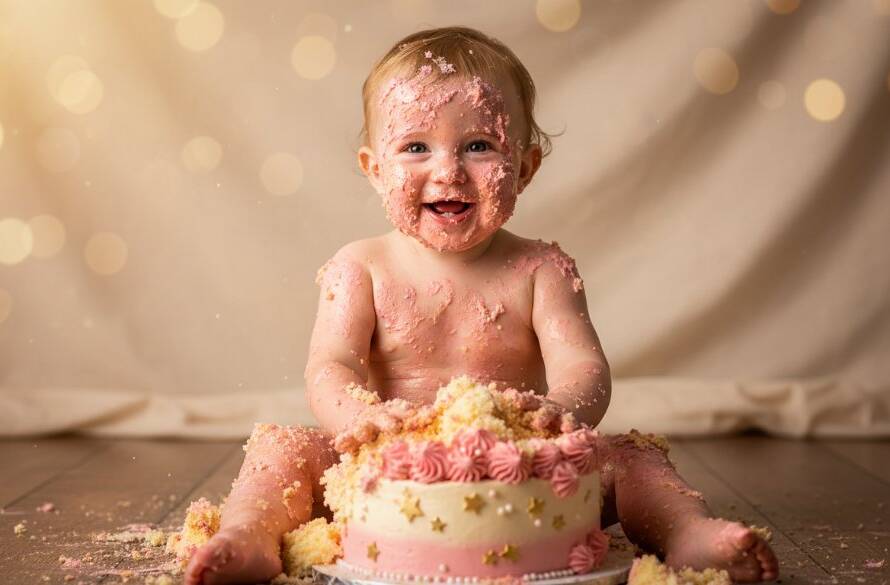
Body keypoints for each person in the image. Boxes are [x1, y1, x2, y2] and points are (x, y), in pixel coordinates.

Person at [185, 26, 778, 585]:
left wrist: (559, 414)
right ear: (373, 170)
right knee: (283, 449)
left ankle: (689, 532)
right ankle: (249, 535)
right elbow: (330, 364)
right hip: (389, 469)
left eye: (478, 145)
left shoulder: (542, 269)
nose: (448, 170)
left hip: (527, 472)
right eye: (415, 146)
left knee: (633, 456)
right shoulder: (359, 267)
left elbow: (583, 368)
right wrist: (354, 420)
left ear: (523, 168)